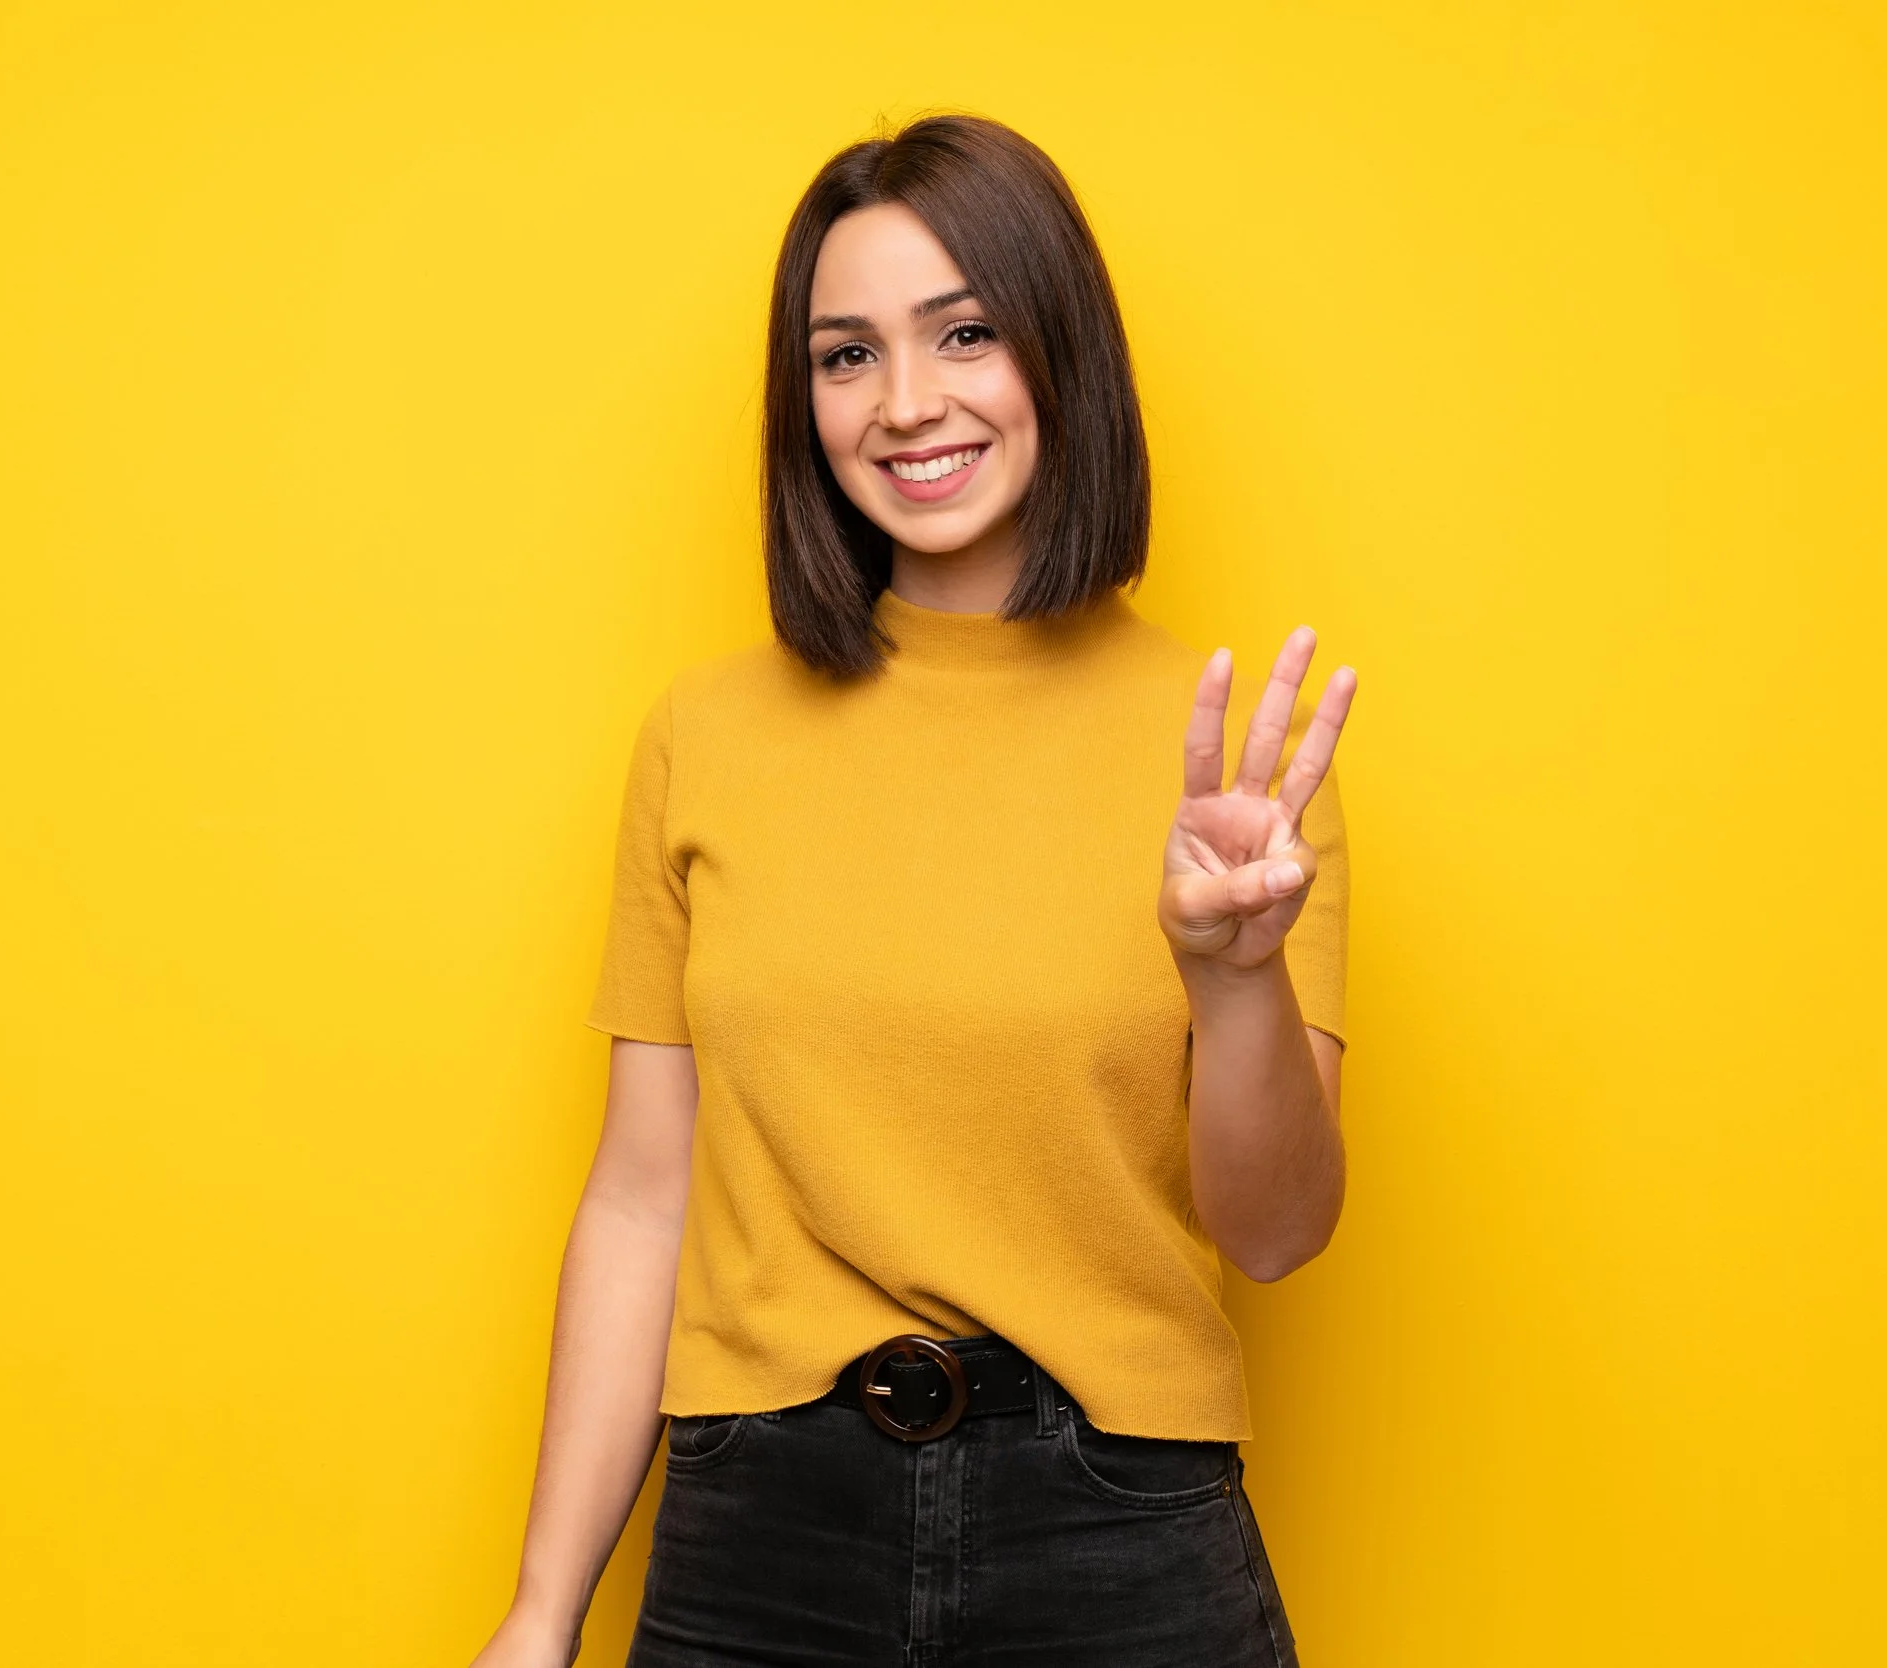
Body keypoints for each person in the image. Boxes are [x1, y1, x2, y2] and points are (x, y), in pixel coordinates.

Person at [471, 113, 1355, 1668]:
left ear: (1061, 352)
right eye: (846, 356)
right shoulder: (705, 736)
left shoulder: (1238, 777)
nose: (909, 404)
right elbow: (640, 1196)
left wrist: (1234, 975)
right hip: (760, 1526)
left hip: (1116, 1526)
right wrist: (541, 1615)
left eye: (966, 334)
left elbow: (1276, 1235)